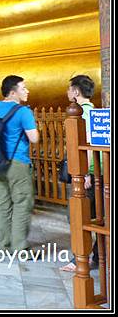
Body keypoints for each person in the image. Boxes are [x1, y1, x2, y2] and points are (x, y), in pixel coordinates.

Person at [0, 75, 40, 255]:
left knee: (3, 205)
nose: (27, 90)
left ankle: (5, 245)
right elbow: (34, 138)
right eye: (23, 88)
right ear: (13, 92)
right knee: (22, 203)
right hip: (18, 163)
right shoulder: (23, 112)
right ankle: (20, 248)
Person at [61, 74, 100, 272]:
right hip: (97, 174)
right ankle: (97, 256)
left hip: (87, 175)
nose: (67, 92)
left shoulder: (80, 114)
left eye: (69, 89)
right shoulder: (94, 111)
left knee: (78, 217)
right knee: (96, 216)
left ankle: (79, 260)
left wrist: (85, 173)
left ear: (76, 92)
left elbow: (89, 147)